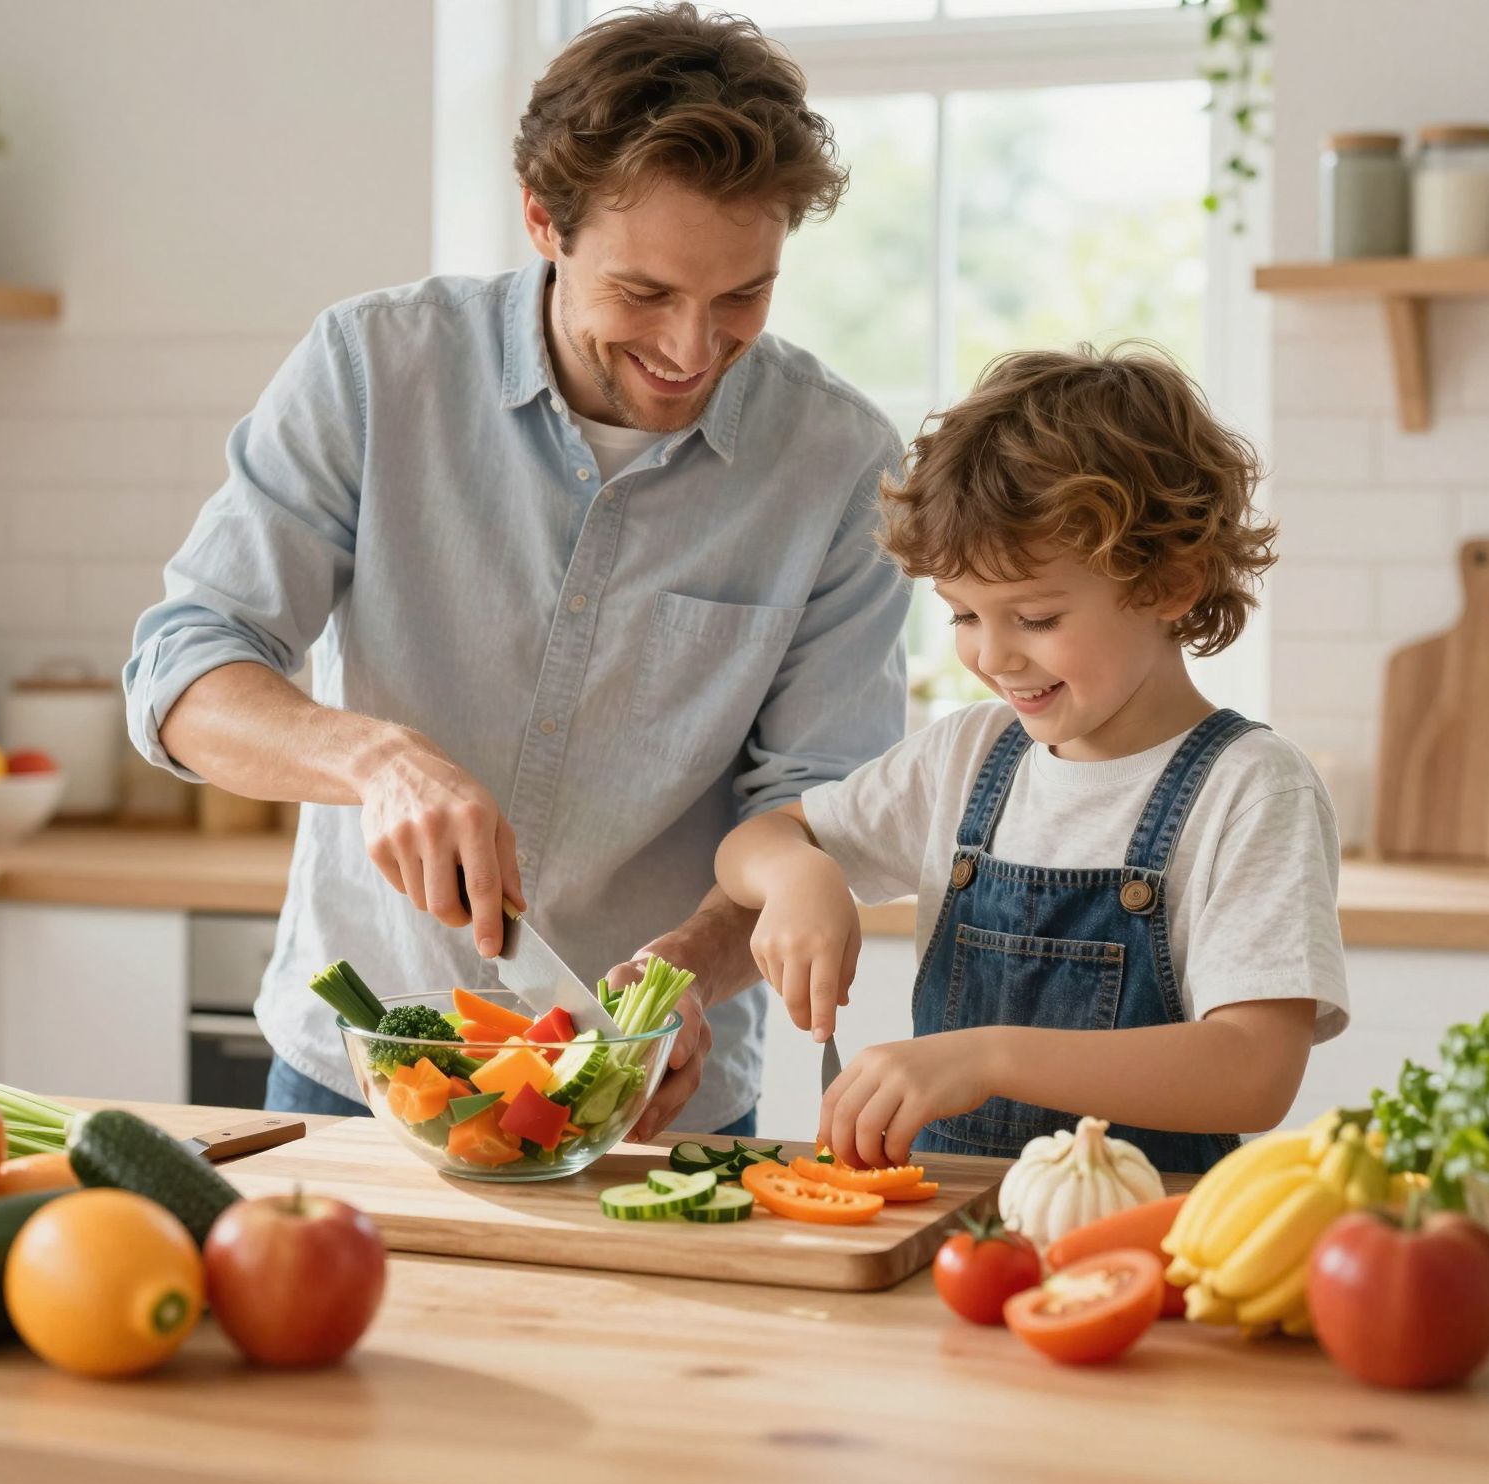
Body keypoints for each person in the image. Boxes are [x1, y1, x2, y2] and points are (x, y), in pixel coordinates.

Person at [124, 4, 910, 1136]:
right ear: (544, 219)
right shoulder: (374, 369)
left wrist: (683, 974)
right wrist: (376, 762)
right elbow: (182, 669)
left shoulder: (837, 462)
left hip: (655, 1088)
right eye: (644, 293)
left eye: (741, 295)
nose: (691, 350)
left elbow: (820, 813)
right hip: (363, 1071)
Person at [715, 347, 1349, 1173]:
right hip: (950, 1224)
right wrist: (798, 873)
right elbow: (756, 842)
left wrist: (988, 1058)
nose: (993, 656)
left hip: (1143, 1229)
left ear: (1172, 582)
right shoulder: (968, 755)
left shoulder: (1251, 789)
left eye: (1036, 618)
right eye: (963, 616)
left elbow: (1254, 1071)